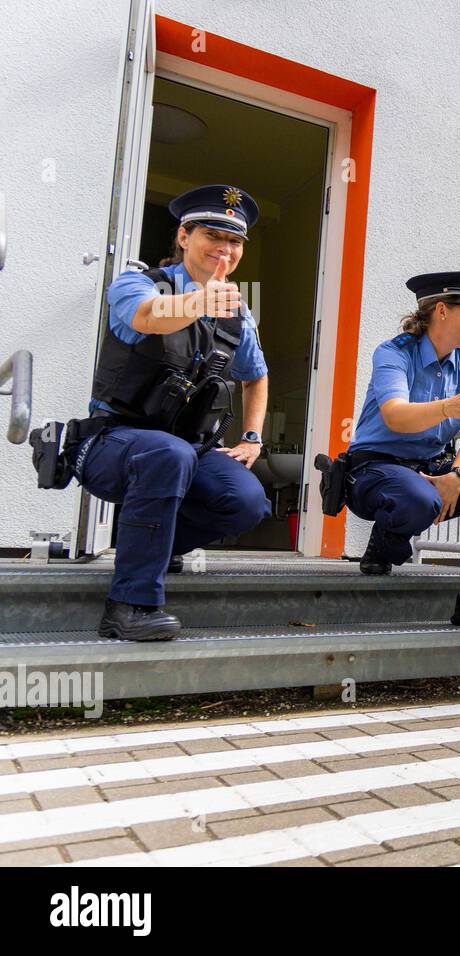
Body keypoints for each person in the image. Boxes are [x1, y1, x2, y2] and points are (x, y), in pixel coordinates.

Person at [78, 184, 272, 641]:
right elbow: (147, 317)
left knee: (246, 501)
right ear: (184, 237)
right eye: (213, 235)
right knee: (169, 454)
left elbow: (256, 375)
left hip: (185, 447)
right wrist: (198, 301)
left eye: (235, 241)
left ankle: (149, 547)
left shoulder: (237, 314)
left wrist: (251, 437)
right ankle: (130, 605)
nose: (225, 249)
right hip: (113, 440)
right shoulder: (138, 283)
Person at [345, 269, 460, 630]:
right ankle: (385, 542)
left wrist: (457, 475)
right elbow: (395, 416)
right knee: (417, 498)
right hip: (374, 470)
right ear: (442, 309)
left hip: (434, 468)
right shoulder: (393, 353)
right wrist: (447, 407)